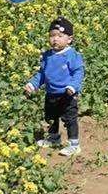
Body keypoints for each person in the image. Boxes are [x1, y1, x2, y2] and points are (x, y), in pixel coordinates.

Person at [24, 16, 85, 156]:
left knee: (70, 119)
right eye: (52, 35)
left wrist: (73, 86)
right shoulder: (47, 55)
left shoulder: (72, 55)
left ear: (69, 39)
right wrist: (32, 84)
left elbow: (78, 72)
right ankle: (53, 138)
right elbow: (42, 74)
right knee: (50, 116)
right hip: (51, 93)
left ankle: (74, 144)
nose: (55, 39)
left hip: (68, 94)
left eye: (60, 36)